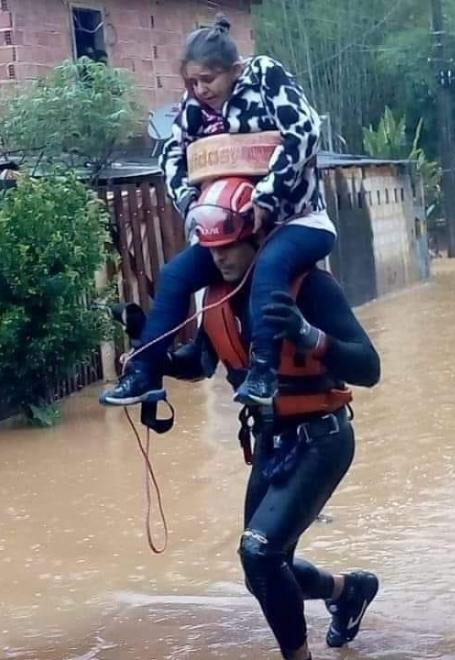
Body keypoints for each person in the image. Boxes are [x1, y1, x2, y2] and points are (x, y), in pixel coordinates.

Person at [115, 177, 381, 660]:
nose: (220, 258)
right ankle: (348, 591)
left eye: (230, 246)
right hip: (272, 441)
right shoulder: (212, 296)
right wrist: (150, 352)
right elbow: (200, 365)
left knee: (260, 553)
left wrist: (308, 337)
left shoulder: (310, 287)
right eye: (211, 249)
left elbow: (369, 368)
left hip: (322, 437)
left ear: (259, 236)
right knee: (260, 567)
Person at [100, 15, 336, 408]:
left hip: (295, 220)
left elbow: (305, 130)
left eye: (208, 79)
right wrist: (194, 207)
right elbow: (172, 156)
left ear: (235, 70)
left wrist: (266, 197)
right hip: (230, 231)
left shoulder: (264, 76)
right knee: (176, 274)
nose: (200, 89)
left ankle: (264, 371)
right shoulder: (191, 108)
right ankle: (144, 370)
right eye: (192, 81)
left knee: (271, 264)